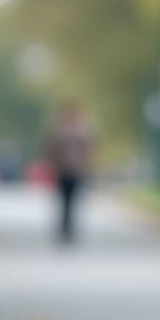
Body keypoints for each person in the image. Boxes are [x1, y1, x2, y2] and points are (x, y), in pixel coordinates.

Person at [44, 102, 95, 244]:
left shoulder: (81, 129)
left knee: (72, 201)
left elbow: (90, 147)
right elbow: (52, 148)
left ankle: (69, 228)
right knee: (64, 201)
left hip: (76, 170)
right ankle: (65, 228)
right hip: (64, 170)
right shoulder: (62, 130)